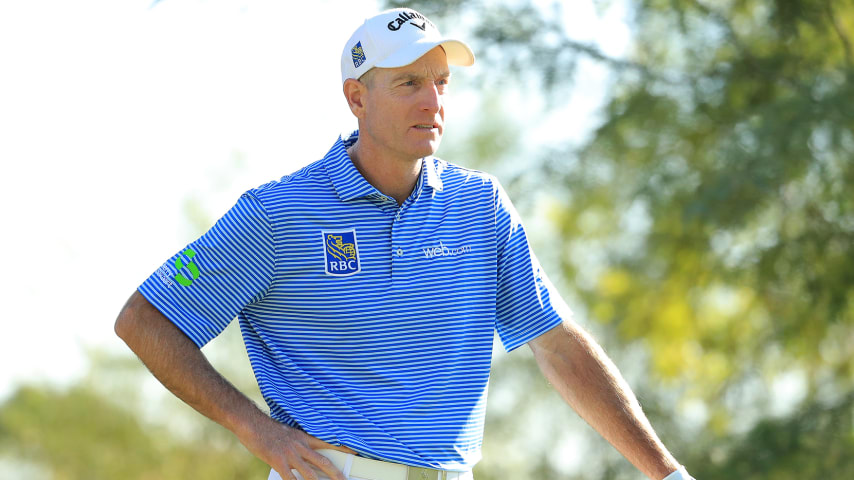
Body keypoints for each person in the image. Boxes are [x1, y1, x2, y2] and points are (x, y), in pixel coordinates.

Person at [115, 8, 695, 480]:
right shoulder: (277, 212)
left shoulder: (480, 206)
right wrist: (256, 430)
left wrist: (667, 475)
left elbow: (558, 346)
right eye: (409, 84)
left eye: (441, 83)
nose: (433, 103)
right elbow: (144, 320)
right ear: (357, 99)